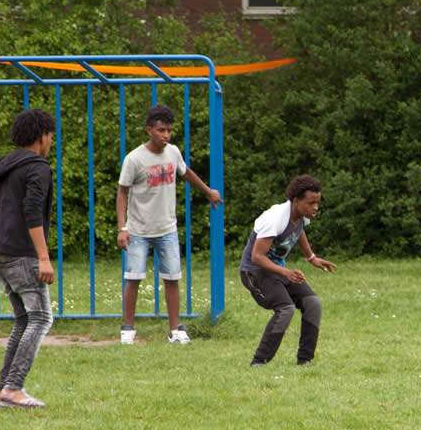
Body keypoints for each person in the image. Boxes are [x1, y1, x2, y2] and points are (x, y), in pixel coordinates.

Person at [0, 109, 58, 409]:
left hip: (1, 253)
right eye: (50, 136)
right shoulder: (38, 167)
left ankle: (1, 390)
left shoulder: (1, 166)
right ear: (42, 136)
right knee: (41, 318)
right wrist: (43, 257)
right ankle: (13, 388)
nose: (51, 141)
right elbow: (32, 210)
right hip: (23, 252)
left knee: (23, 319)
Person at [115, 105, 223, 345]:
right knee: (133, 278)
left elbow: (186, 173)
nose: (166, 135)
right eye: (161, 130)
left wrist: (208, 192)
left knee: (172, 278)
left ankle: (175, 330)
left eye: (169, 131)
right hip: (138, 230)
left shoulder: (173, 152)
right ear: (149, 130)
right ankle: (128, 329)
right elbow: (122, 192)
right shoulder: (134, 159)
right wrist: (123, 228)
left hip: (167, 229)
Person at [239, 174, 336, 367]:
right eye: (311, 203)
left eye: (317, 202)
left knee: (313, 304)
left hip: (278, 271)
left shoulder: (301, 215)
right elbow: (257, 257)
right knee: (286, 309)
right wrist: (286, 273)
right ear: (296, 200)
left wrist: (311, 258)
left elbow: (299, 231)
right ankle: (259, 361)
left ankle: (305, 360)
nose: (316, 207)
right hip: (255, 272)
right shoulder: (275, 218)